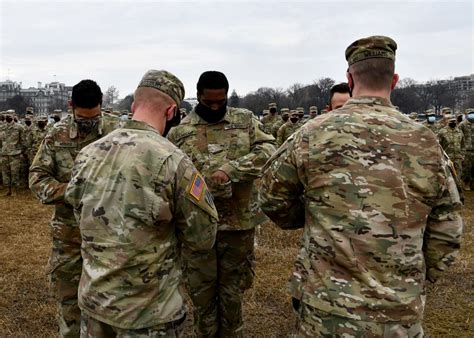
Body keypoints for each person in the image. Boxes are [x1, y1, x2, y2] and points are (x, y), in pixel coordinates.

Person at [258, 35, 463, 337]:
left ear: (349, 80)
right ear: (394, 80)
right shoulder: (426, 141)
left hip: (328, 306)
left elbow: (272, 199)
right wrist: (412, 275)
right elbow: (447, 229)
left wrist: (316, 216)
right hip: (399, 310)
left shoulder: (313, 134)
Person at [64, 70, 218, 337]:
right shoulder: (173, 161)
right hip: (149, 314)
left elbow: (78, 212)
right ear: (171, 112)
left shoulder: (88, 154)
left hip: (95, 305)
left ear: (134, 107)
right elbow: (203, 236)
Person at [167, 71, 275, 337]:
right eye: (209, 102)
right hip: (196, 230)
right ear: (199, 97)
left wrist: (232, 170)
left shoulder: (245, 121)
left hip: (237, 225)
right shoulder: (180, 132)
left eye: (220, 102)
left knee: (232, 294)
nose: (215, 107)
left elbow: (269, 152)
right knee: (202, 296)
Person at [29, 79, 121, 337]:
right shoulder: (56, 135)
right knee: (69, 301)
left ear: (101, 107)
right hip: (69, 235)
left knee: (108, 303)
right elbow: (37, 178)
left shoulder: (118, 133)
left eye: (93, 119)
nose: (88, 126)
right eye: (82, 120)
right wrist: (70, 192)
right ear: (71, 107)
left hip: (110, 235)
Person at [0, 110, 25, 196]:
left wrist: (21, 152)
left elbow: (22, 141)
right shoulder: (1, 127)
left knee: (14, 173)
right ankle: (8, 189)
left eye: (10, 116)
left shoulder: (19, 127)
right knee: (5, 173)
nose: (8, 118)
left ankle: (14, 190)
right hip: (4, 153)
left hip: (15, 154)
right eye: (7, 116)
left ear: (14, 116)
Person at [460, 108, 474, 190]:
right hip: (467, 150)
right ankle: (466, 183)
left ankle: (473, 184)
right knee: (467, 168)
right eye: (470, 113)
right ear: (466, 115)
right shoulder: (462, 124)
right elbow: (459, 136)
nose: (472, 115)